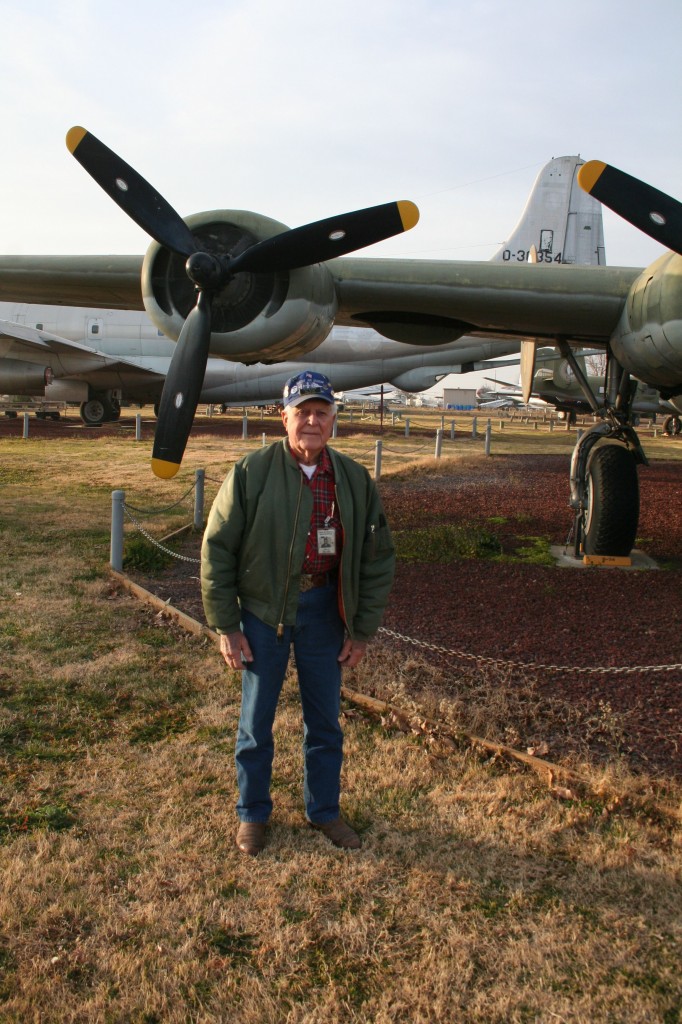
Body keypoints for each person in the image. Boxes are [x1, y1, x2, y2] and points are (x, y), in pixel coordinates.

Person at [201, 370, 395, 856]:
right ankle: (252, 813)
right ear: (283, 417)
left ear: (333, 421)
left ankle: (325, 811)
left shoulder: (352, 480)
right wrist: (228, 625)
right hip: (265, 614)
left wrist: (362, 630)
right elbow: (217, 549)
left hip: (324, 613)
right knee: (256, 722)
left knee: (325, 722)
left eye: (321, 413)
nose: (312, 421)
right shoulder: (251, 473)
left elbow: (376, 559)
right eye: (302, 412)